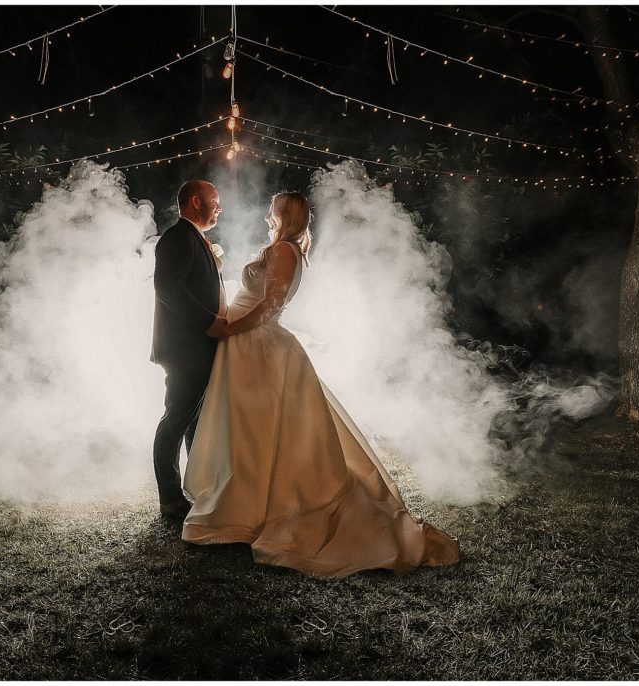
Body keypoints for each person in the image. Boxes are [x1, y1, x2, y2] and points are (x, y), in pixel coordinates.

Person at [181, 192, 460, 577]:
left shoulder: (285, 251)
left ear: (285, 214)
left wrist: (228, 328)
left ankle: (261, 509)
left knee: (262, 433)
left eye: (272, 208)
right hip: (245, 348)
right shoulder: (280, 248)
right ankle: (243, 504)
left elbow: (269, 307)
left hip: (257, 347)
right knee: (249, 434)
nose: (266, 213)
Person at [150, 180, 227, 521]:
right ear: (196, 201)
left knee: (195, 423)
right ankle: (170, 500)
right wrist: (210, 322)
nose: (220, 207)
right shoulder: (177, 237)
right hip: (185, 349)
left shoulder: (193, 237)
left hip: (197, 348)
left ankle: (195, 490)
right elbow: (168, 288)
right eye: (215, 200)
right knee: (176, 422)